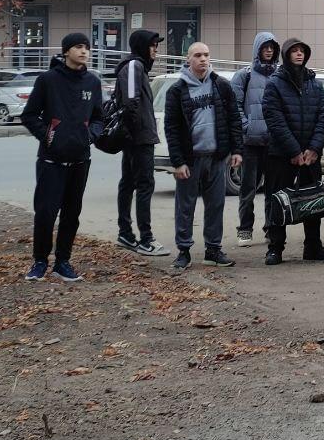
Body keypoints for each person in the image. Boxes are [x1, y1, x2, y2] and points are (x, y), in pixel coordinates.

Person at [21, 32, 105, 282]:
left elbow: (100, 117)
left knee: (72, 214)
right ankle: (39, 261)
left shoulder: (93, 82)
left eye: (87, 47)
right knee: (46, 213)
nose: (84, 51)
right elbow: (29, 115)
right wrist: (48, 136)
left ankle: (63, 262)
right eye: (78, 47)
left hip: (80, 159)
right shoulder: (48, 80)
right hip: (51, 161)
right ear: (66, 51)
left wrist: (91, 135)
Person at [164, 42, 244, 270]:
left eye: (206, 55)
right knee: (185, 206)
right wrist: (178, 162)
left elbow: (234, 119)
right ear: (188, 59)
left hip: (217, 156)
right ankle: (184, 250)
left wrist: (237, 150)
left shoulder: (221, 86)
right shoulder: (177, 91)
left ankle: (213, 249)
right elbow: (172, 129)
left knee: (216, 205)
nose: (203, 59)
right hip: (191, 159)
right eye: (197, 55)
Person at [260, 38, 324, 265]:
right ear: (285, 55)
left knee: (313, 200)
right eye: (294, 51)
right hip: (281, 155)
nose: (298, 54)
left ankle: (313, 246)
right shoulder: (275, 83)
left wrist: (314, 148)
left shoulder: (315, 84)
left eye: (302, 51)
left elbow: (322, 119)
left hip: (310, 156)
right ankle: (275, 248)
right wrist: (294, 150)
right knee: (277, 200)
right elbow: (274, 118)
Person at [114, 29, 167, 257]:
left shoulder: (137, 67)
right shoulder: (135, 66)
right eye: (153, 45)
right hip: (139, 138)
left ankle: (126, 233)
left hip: (135, 137)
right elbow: (131, 102)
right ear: (142, 46)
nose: (156, 49)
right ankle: (146, 239)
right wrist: (136, 134)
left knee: (128, 183)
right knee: (144, 185)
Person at [230, 31, 280, 247]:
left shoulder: (279, 75)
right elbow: (234, 107)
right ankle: (245, 229)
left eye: (272, 47)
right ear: (257, 49)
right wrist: (247, 127)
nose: (268, 50)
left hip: (274, 144)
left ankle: (270, 228)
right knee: (247, 189)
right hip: (250, 143)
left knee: (273, 190)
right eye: (265, 46)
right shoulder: (244, 75)